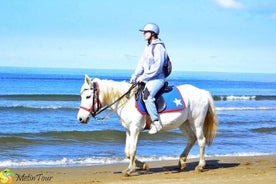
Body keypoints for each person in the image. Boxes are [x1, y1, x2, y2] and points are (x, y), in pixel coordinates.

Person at [130, 23, 168, 134]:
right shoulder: (147, 47)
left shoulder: (159, 47)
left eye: (145, 32)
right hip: (147, 78)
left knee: (147, 96)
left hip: (157, 79)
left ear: (152, 33)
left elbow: (158, 67)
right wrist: (135, 75)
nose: (143, 34)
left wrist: (143, 77)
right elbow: (141, 64)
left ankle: (156, 123)